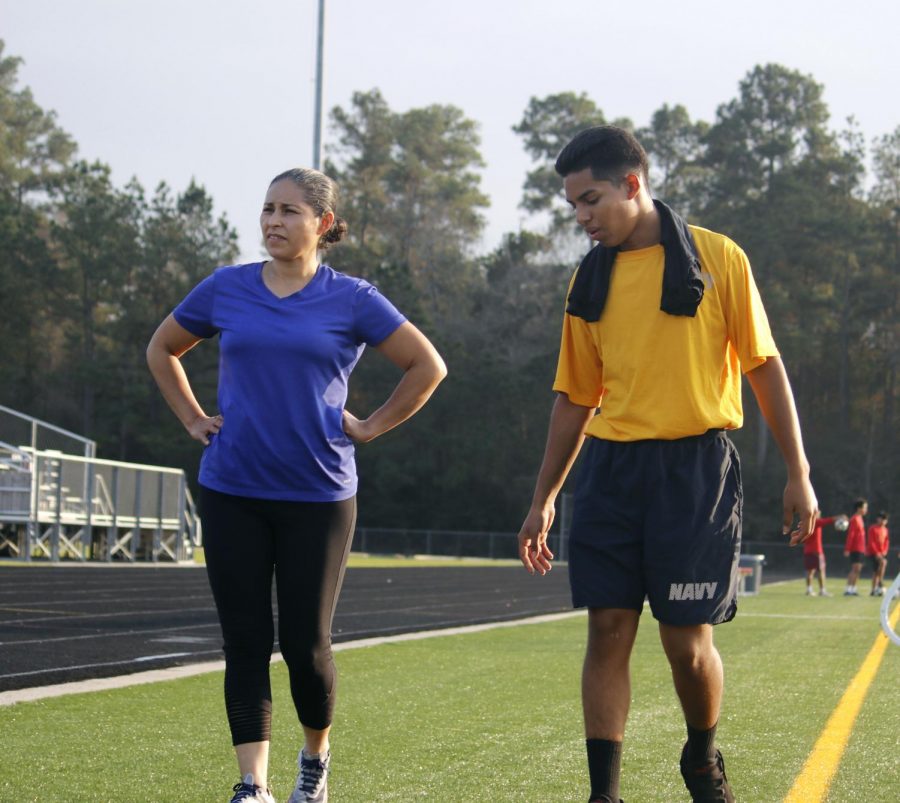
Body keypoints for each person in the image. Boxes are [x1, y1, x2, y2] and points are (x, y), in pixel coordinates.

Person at [516, 126, 818, 803]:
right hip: (610, 471)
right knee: (608, 627)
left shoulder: (716, 258)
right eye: (572, 205)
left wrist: (798, 470)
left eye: (590, 199)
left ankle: (702, 758)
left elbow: (764, 368)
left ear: (633, 183)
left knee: (686, 643)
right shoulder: (589, 278)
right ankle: (605, 794)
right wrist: (543, 498)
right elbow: (574, 398)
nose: (581, 217)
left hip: (695, 472)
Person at [147, 167, 447, 803]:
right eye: (267, 209)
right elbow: (162, 349)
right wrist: (195, 419)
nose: (274, 222)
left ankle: (314, 760)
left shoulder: (354, 298)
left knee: (305, 647)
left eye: (289, 211)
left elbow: (428, 365)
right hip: (231, 489)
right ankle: (251, 783)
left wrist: (369, 426)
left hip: (319, 496)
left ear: (324, 225)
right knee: (245, 642)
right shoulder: (226, 289)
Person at [803, 514, 845, 596]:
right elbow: (828, 520)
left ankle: (809, 589)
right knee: (821, 571)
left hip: (808, 550)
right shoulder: (815, 521)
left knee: (810, 571)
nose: (820, 512)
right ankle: (822, 590)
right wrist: (840, 517)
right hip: (816, 551)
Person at [843, 498, 868, 596]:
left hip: (861, 548)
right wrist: (847, 549)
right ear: (859, 508)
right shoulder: (854, 519)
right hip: (855, 548)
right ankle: (848, 588)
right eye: (865, 508)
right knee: (855, 569)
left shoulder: (860, 518)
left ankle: (853, 588)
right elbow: (851, 535)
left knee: (858, 569)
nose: (866, 510)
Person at [867, 512, 890, 596]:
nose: (882, 521)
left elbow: (887, 541)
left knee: (877, 570)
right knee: (882, 564)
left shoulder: (885, 530)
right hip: (873, 553)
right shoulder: (873, 528)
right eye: (881, 518)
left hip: (881, 553)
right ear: (878, 519)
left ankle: (874, 589)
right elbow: (871, 541)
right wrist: (876, 553)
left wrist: (884, 551)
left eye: (884, 519)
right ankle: (880, 582)